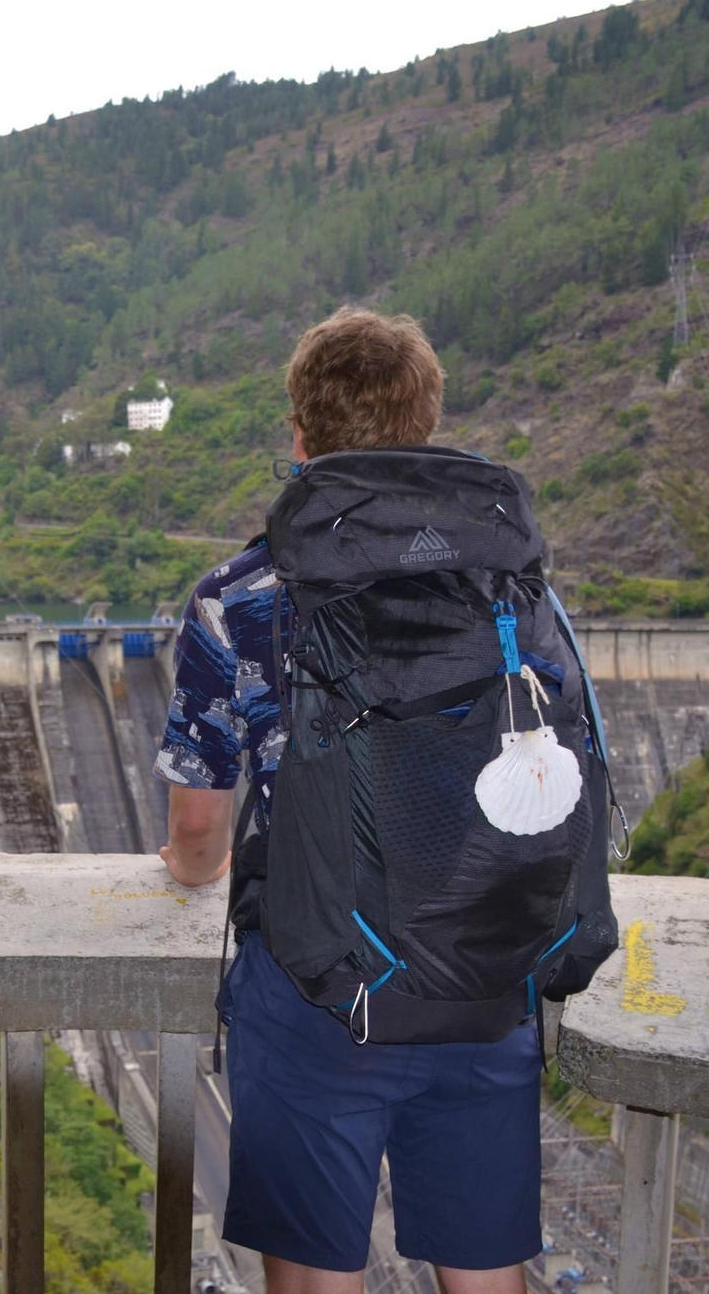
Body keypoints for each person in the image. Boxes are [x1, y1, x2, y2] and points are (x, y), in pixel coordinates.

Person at [156, 308, 587, 1294]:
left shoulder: (244, 595)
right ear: (424, 426)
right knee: (485, 1278)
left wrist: (195, 869)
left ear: (299, 440)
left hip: (319, 992)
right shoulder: (509, 590)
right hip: (480, 976)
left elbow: (195, 830)